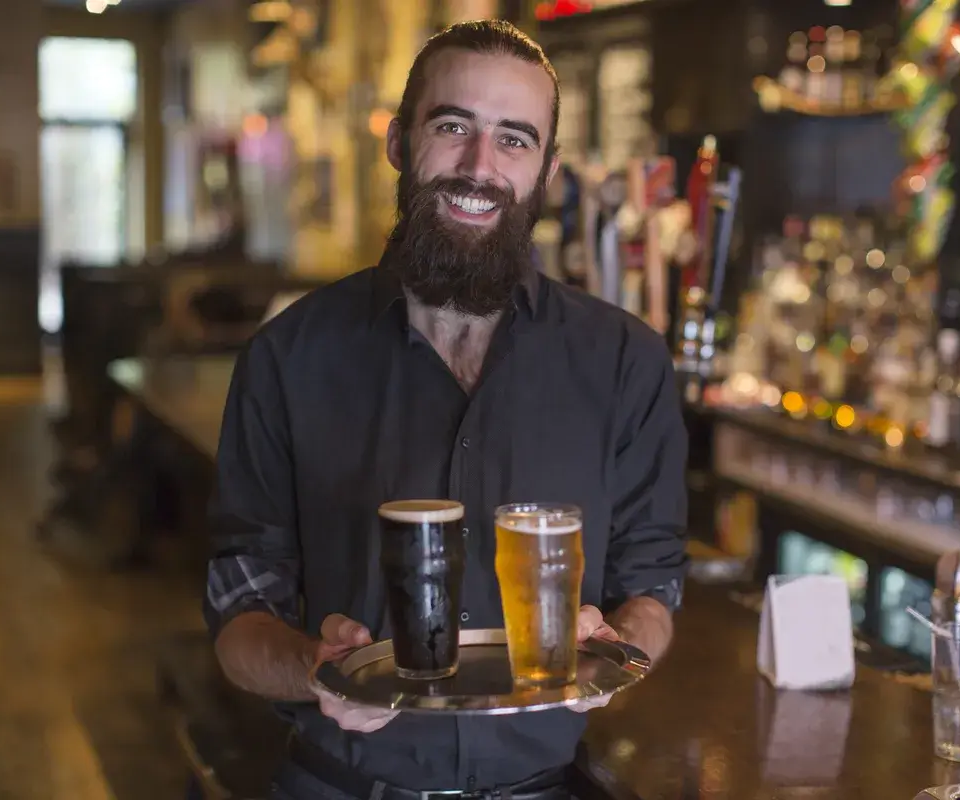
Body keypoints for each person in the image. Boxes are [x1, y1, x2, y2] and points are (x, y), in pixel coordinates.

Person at [204, 19, 688, 800]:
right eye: (453, 126)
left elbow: (655, 584)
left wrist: (617, 646)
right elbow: (236, 616)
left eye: (514, 139)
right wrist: (313, 670)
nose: (479, 166)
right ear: (399, 142)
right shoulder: (287, 357)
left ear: (547, 169)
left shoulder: (625, 362)